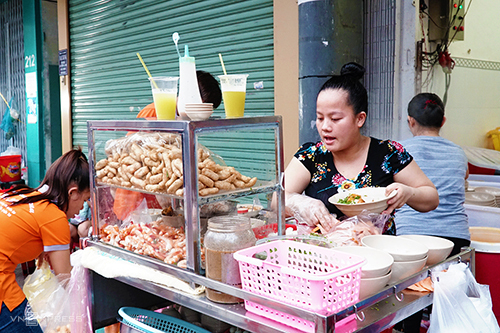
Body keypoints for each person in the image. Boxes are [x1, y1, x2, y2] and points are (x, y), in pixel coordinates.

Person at [283, 62, 439, 234]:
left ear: (360, 119)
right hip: (325, 256)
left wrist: (409, 193)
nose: (325, 127)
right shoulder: (311, 156)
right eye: (320, 118)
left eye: (335, 119)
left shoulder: (388, 153)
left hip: (379, 254)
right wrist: (300, 203)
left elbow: (431, 197)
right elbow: (277, 199)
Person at [393, 92, 470, 333]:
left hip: (411, 238)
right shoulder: (458, 153)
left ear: (410, 121)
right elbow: (464, 179)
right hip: (455, 239)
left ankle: (410, 326)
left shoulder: (399, 151)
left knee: (412, 294)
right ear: (443, 121)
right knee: (446, 293)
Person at [112, 70, 222, 222]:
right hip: (136, 204)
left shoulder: (188, 122)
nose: (201, 114)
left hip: (163, 205)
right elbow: (128, 152)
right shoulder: (153, 113)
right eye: (201, 107)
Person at [0, 148, 90, 333]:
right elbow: (65, 279)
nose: (82, 208)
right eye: (85, 200)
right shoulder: (54, 217)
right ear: (73, 193)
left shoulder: (24, 195)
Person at [136, 70, 222, 119]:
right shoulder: (151, 112)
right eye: (198, 107)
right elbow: (128, 146)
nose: (197, 115)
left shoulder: (188, 120)